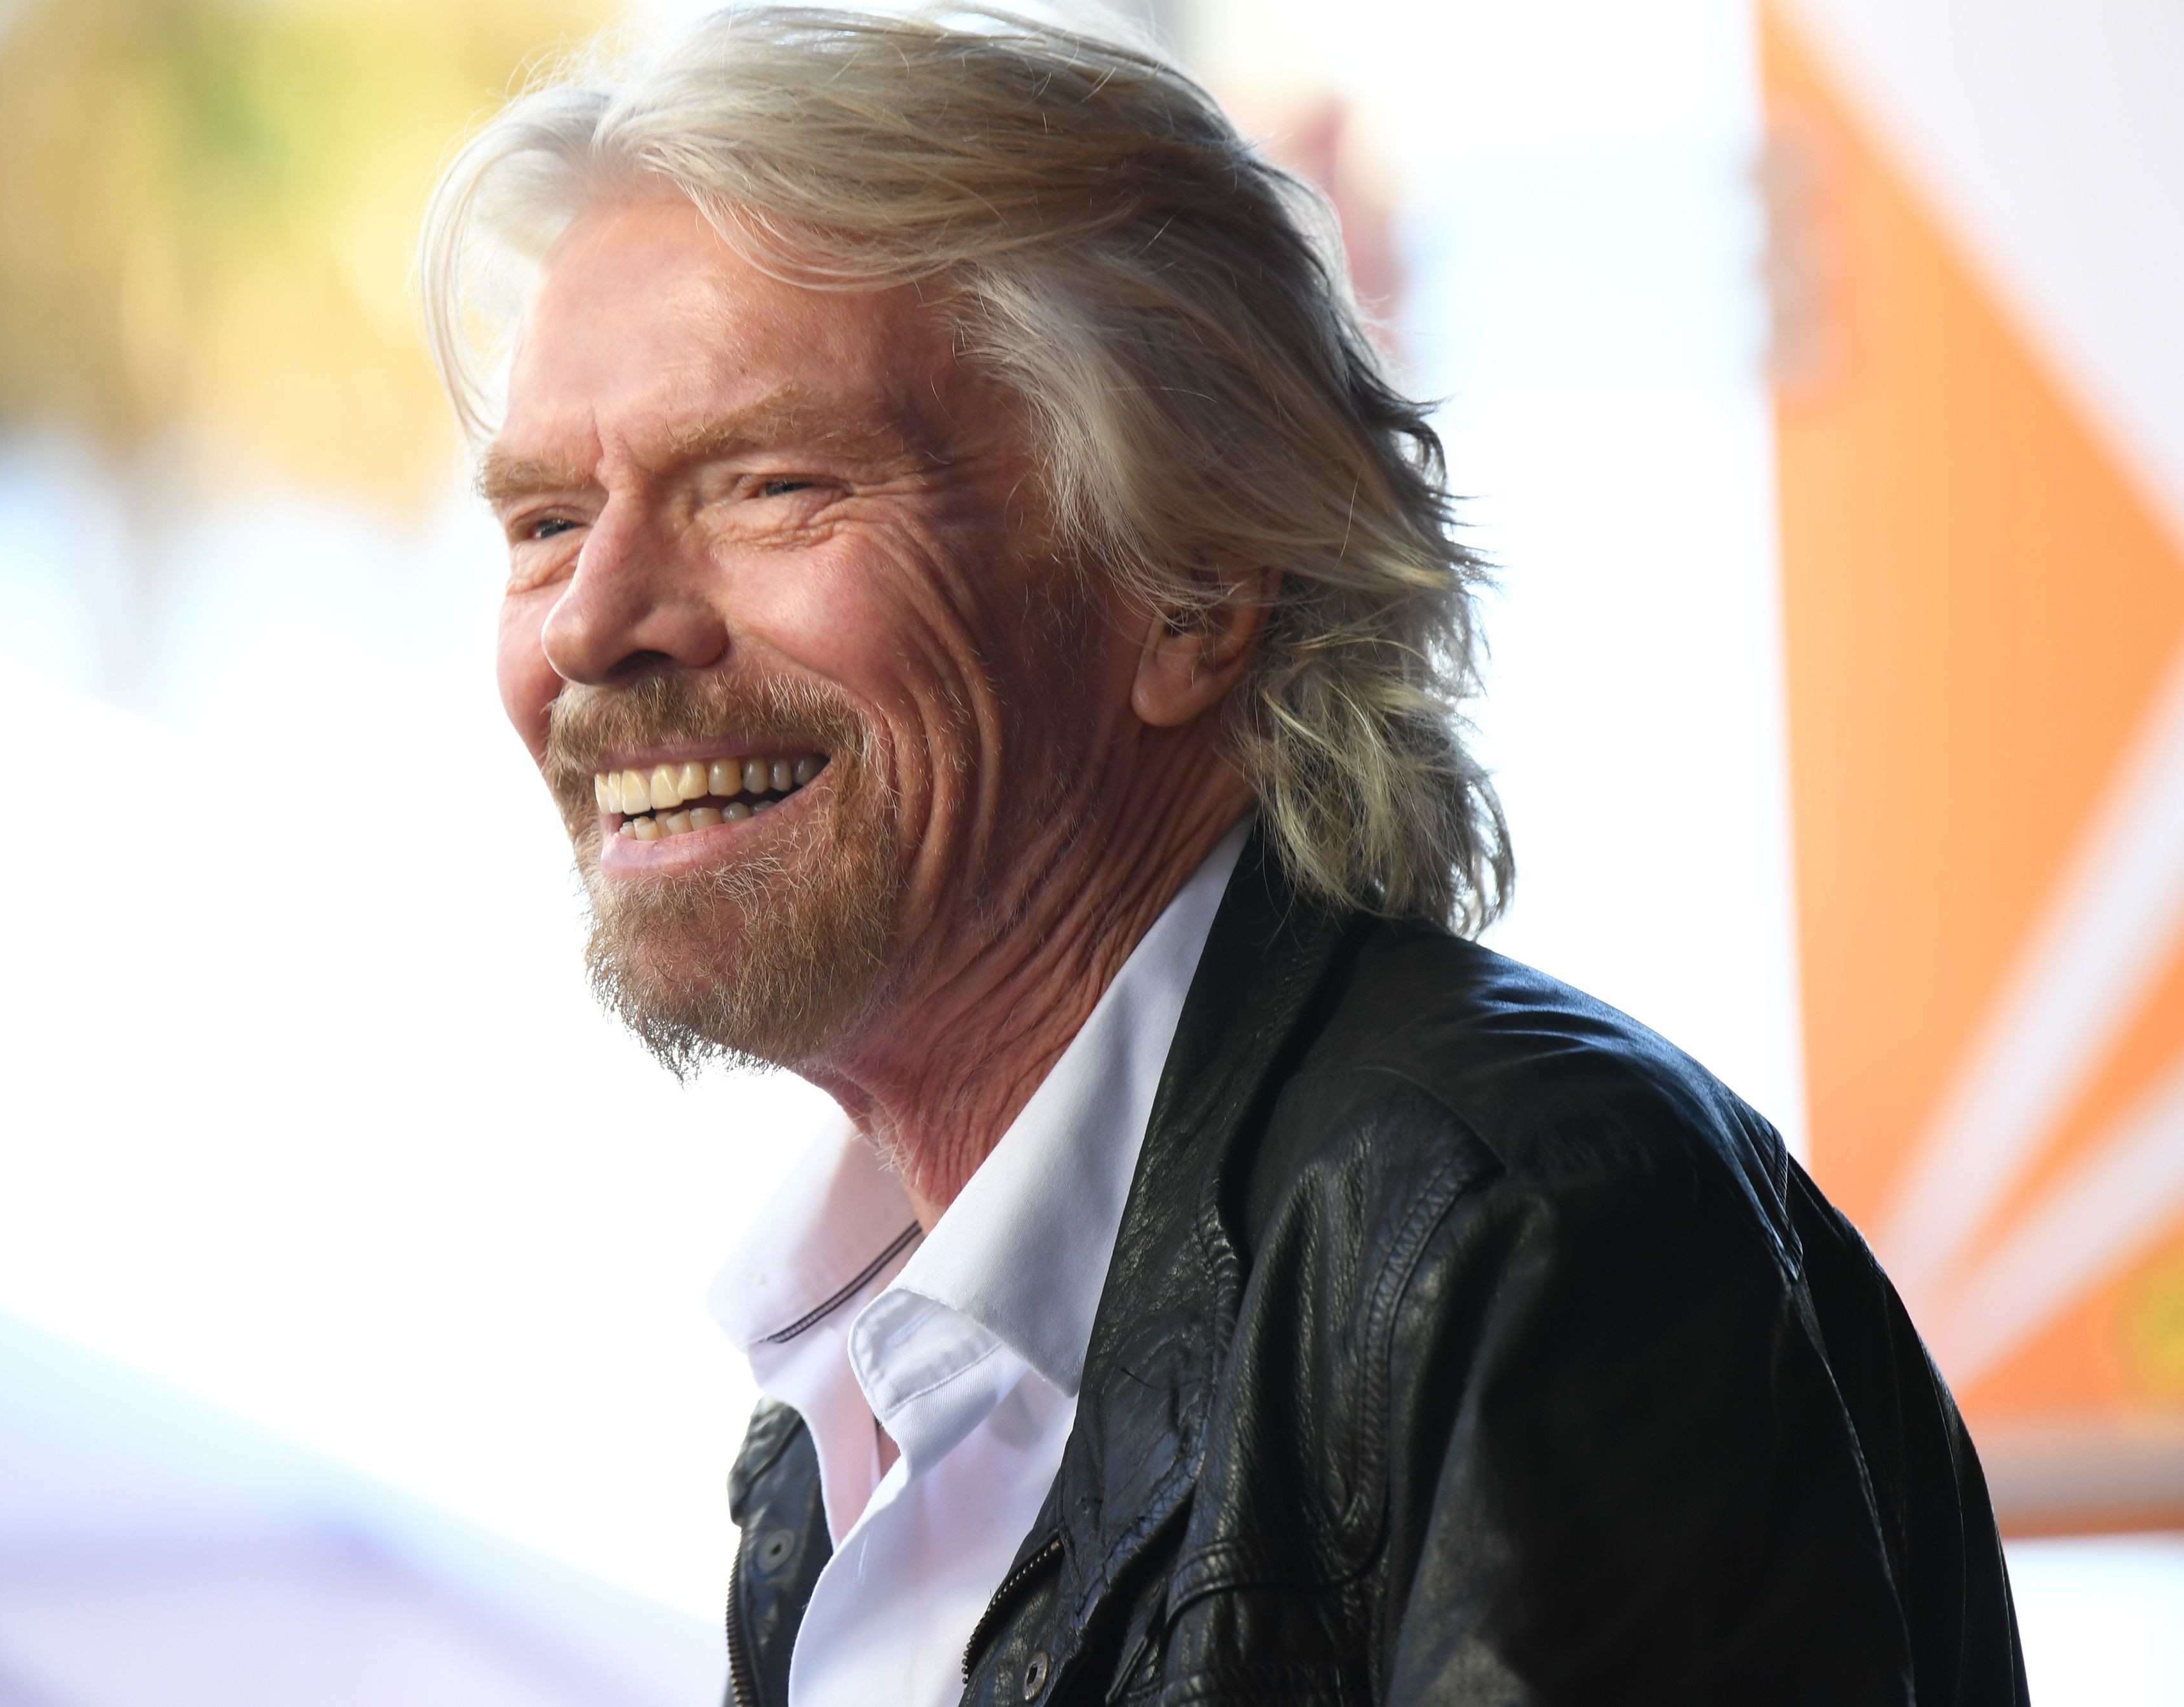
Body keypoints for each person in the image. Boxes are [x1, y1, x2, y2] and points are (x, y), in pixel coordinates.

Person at [418, 7, 2027, 1703]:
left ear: (1189, 584)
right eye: (542, 522)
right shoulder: (852, 1415)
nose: (590, 622)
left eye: (765, 483)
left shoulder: (1524, 1250)